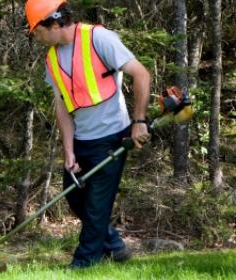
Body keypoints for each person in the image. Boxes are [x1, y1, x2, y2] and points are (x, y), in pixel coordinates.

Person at [25, 0, 151, 269]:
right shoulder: (52, 58)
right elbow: (62, 105)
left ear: (55, 22)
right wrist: (68, 150)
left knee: (96, 206)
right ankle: (114, 247)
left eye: (37, 31)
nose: (36, 37)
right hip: (81, 140)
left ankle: (84, 264)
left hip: (111, 136)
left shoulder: (99, 39)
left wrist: (139, 121)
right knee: (75, 198)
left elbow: (141, 74)